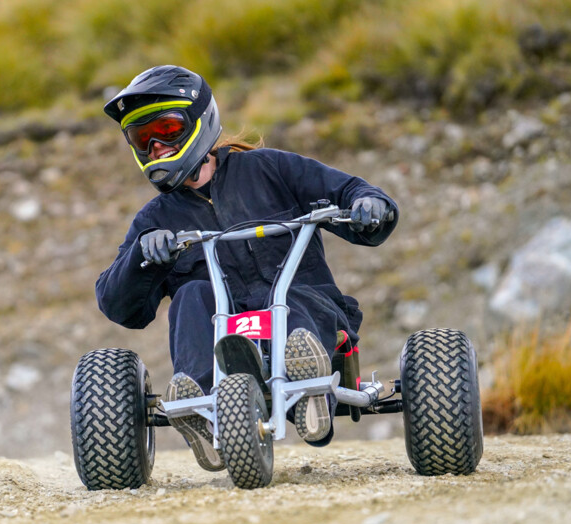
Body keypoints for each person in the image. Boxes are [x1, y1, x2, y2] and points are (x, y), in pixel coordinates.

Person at [95, 65, 398, 471]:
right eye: (141, 138)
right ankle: (202, 415)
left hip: (303, 313)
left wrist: (369, 205)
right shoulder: (156, 219)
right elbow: (119, 306)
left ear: (200, 122)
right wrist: (142, 257)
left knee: (290, 295)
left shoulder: (271, 169)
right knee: (190, 295)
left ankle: (310, 393)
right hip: (225, 341)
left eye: (166, 129)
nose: (156, 148)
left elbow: (350, 191)